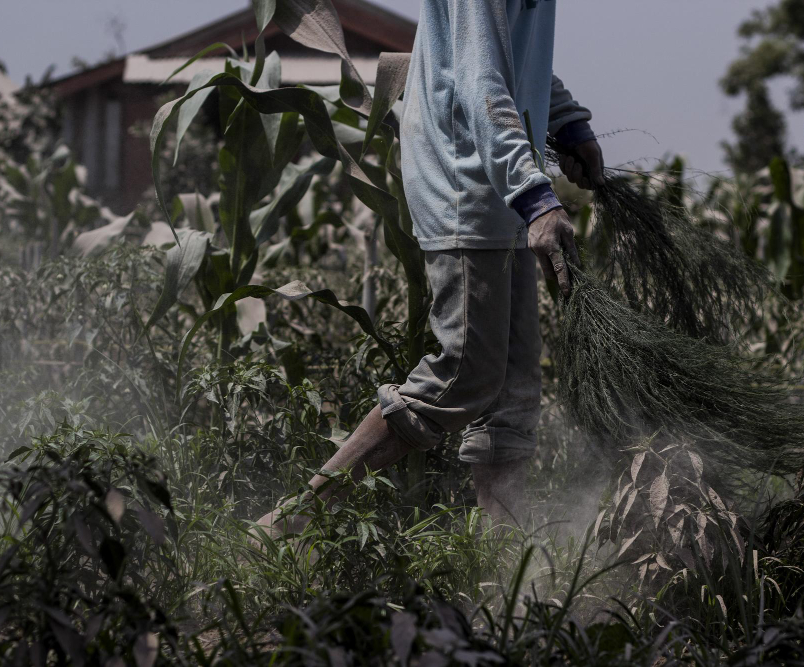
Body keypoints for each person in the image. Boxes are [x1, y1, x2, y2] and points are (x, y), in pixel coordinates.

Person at [257, 0, 604, 535]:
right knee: (465, 373)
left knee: (513, 392)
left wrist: (566, 118)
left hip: (502, 186)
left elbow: (510, 58)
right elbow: (478, 79)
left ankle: (507, 560)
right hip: (465, 179)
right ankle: (288, 524)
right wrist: (535, 196)